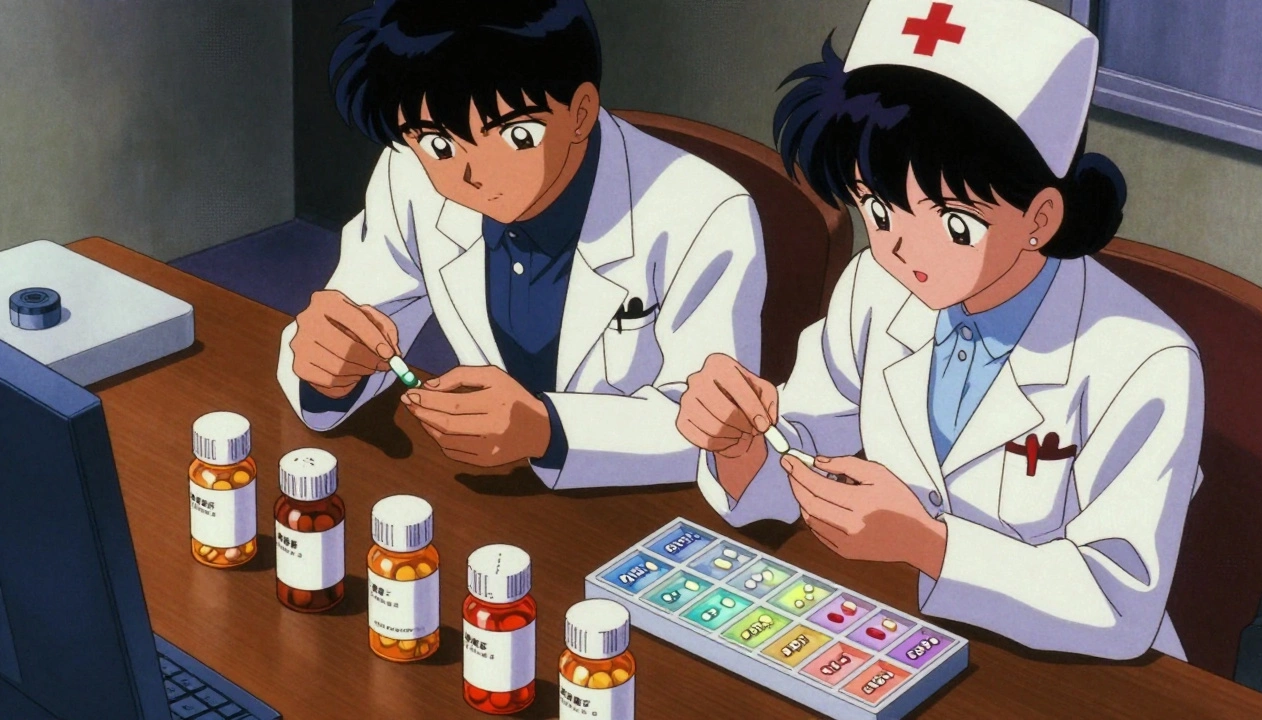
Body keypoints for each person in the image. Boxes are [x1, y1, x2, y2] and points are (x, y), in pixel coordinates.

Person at [678, 0, 1204, 661]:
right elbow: (806, 444)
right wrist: (740, 443)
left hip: (1082, 675)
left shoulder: (1146, 359)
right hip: (903, 632)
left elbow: (1119, 601)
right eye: (876, 206)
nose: (901, 249)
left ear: (1040, 216)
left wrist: (930, 542)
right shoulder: (874, 287)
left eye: (954, 222)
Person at [277, 0, 765, 490]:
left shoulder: (705, 210)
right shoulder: (408, 172)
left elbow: (716, 428)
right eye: (439, 144)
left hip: (646, 511)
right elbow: (357, 316)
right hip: (489, 502)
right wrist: (327, 371)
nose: (473, 174)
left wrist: (547, 430)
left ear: (581, 113)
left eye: (517, 134)